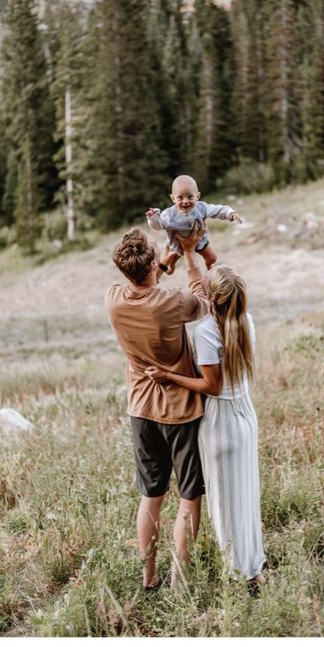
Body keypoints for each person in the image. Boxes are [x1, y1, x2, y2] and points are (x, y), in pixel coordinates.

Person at [146, 265, 265, 587]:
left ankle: (242, 577)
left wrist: (169, 376)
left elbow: (211, 386)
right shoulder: (244, 321)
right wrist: (188, 252)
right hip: (245, 414)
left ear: (211, 298)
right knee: (246, 498)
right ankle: (253, 565)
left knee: (225, 507)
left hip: (221, 421)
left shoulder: (207, 331)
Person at [106, 222, 209, 589]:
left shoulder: (114, 299)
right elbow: (203, 301)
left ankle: (149, 579)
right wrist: (191, 253)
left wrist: (167, 258)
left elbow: (146, 285)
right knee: (189, 497)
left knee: (151, 497)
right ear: (151, 265)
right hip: (181, 411)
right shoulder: (172, 303)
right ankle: (180, 581)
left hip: (140, 410)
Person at [145, 174, 242, 275]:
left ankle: (209, 267)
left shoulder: (202, 208)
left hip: (200, 241)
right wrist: (153, 218)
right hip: (177, 244)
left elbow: (217, 210)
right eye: (180, 198)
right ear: (173, 198)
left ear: (197, 196)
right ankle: (172, 265)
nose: (185, 201)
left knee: (213, 258)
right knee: (168, 268)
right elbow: (157, 226)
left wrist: (229, 213)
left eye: (190, 197)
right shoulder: (168, 215)